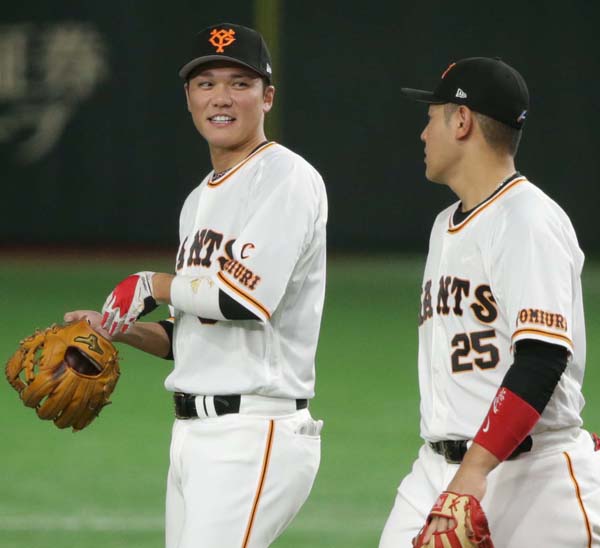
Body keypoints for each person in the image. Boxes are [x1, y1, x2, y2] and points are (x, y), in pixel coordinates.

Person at [66, 22, 327, 548]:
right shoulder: (198, 200)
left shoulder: (285, 177)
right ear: (188, 99)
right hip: (194, 435)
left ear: (267, 97)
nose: (221, 97)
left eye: (239, 83)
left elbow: (245, 300)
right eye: (206, 84)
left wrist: (152, 283)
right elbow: (189, 330)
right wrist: (120, 328)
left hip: (253, 432)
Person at [379, 57, 600, 547]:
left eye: (431, 118)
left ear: (461, 121)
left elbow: (542, 358)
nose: (423, 134)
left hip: (531, 477)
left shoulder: (527, 219)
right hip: (436, 468)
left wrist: (472, 473)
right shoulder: (444, 226)